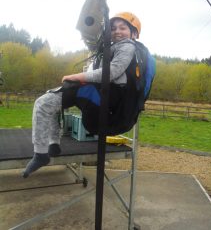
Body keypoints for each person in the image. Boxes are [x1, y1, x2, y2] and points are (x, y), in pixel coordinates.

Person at [22, 12, 156, 178]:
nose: (117, 31)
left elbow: (111, 72)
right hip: (111, 109)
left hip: (105, 109)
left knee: (45, 103)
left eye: (123, 28)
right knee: (52, 102)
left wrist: (76, 77)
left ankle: (41, 153)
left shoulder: (127, 46)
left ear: (134, 33)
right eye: (113, 28)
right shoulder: (127, 51)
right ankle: (53, 144)